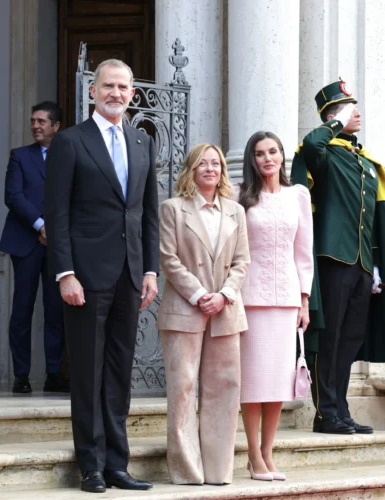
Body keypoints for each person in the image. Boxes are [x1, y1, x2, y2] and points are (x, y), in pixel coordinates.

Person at [45, 59, 158, 493]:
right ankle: (89, 466)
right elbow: (56, 214)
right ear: (92, 91)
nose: (116, 93)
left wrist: (150, 269)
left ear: (132, 93)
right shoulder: (71, 142)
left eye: (123, 87)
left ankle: (117, 464)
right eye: (108, 86)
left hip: (130, 276)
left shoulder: (140, 141)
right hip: (86, 277)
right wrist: (65, 273)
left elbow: (146, 212)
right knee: (89, 374)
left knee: (118, 375)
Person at [291, 79, 385, 436]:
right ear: (334, 115)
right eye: (351, 108)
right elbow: (310, 147)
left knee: (350, 340)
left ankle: (342, 408)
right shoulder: (325, 151)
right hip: (333, 258)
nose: (359, 113)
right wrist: (333, 122)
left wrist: (378, 265)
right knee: (329, 337)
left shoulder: (362, 160)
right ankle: (325, 412)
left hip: (362, 263)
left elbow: (372, 216)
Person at [157, 144, 249, 486]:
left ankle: (218, 470)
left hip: (225, 310)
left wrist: (223, 295)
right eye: (203, 163)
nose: (210, 168)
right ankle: (187, 470)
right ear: (191, 169)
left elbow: (242, 261)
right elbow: (169, 259)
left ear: (223, 170)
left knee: (224, 389)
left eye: (216, 163)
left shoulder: (236, 211)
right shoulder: (173, 209)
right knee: (183, 388)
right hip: (184, 308)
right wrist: (199, 295)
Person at [232, 131, 312, 481]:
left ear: (282, 156)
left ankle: (267, 453)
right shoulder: (240, 195)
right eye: (260, 153)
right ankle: (252, 455)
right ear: (252, 159)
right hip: (250, 298)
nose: (267, 158)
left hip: (287, 299)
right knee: (254, 381)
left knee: (278, 382)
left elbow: (304, 252)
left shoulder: (299, 195)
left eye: (273, 151)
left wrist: (304, 300)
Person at [0, 101, 66, 394]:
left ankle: (54, 373)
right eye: (32, 121)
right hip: (26, 241)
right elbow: (13, 196)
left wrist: (56, 231)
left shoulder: (68, 156)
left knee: (56, 310)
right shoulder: (20, 156)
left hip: (58, 245)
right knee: (22, 309)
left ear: (56, 126)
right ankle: (21, 375)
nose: (35, 126)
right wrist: (40, 225)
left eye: (41, 121)